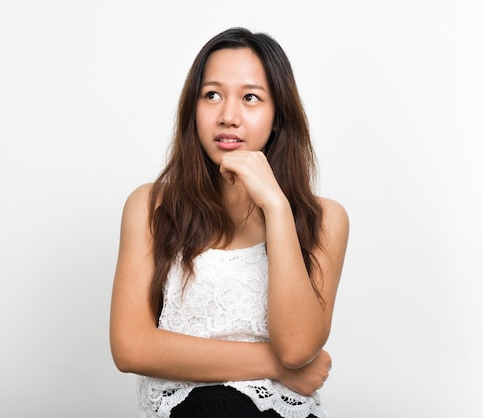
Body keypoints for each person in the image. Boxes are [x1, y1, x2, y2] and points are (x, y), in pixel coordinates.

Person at [109, 27, 349, 418]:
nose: (228, 116)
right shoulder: (151, 206)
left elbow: (298, 347)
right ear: (193, 108)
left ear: (278, 117)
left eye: (251, 97)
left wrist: (276, 207)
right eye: (212, 95)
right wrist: (276, 367)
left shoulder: (325, 219)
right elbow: (131, 347)